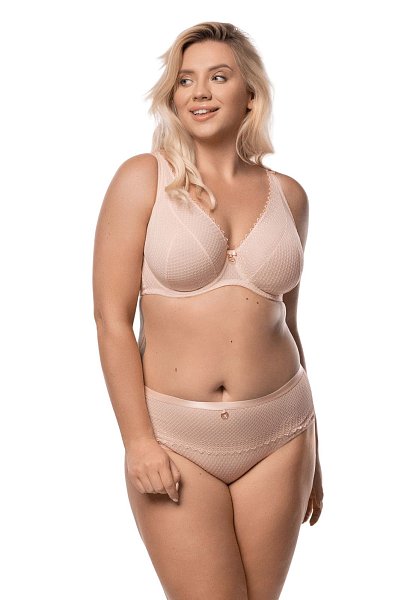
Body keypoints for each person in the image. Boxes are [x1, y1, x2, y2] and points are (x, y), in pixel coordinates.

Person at [93, 20, 324, 600]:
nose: (199, 91)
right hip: (175, 438)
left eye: (218, 77)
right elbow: (111, 320)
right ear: (172, 96)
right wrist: (138, 441)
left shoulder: (289, 195)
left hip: (281, 433)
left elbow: (287, 323)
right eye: (185, 79)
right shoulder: (142, 179)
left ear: (250, 93)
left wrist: (315, 446)